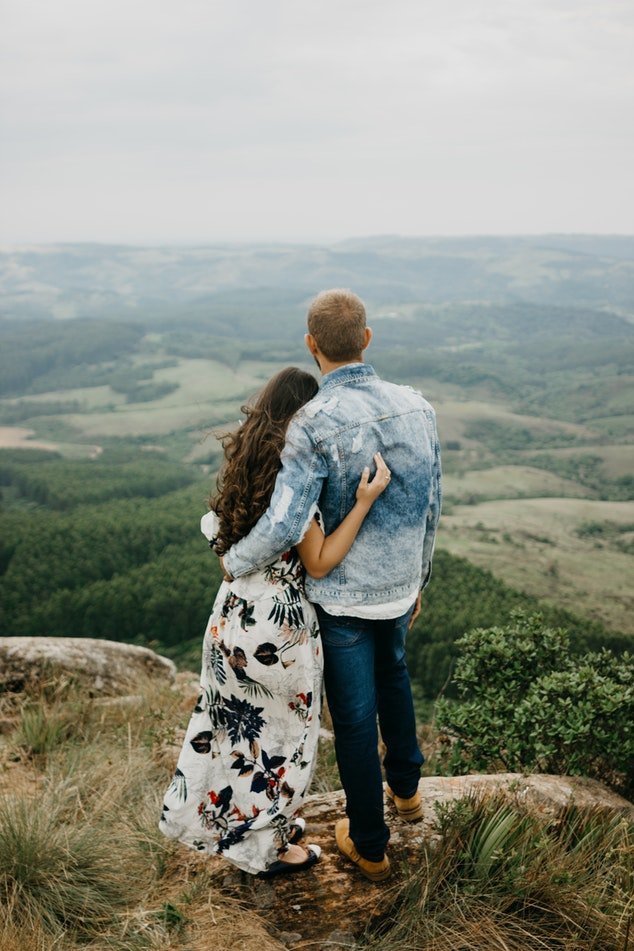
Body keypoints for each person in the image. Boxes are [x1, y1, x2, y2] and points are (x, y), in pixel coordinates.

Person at [221, 289, 442, 882]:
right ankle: (409, 794)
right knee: (396, 677)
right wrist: (420, 575)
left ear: (311, 345)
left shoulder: (312, 423)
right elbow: (431, 506)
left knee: (353, 715)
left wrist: (234, 558)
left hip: (342, 598)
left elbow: (287, 523)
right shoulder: (418, 409)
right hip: (399, 586)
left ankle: (370, 844)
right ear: (367, 338)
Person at [158, 366, 391, 877]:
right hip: (278, 633)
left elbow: (220, 541)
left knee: (234, 732)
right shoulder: (293, 486)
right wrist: (363, 503)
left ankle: (247, 826)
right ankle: (270, 849)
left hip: (230, 617)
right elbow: (320, 561)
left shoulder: (245, 469)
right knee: (283, 741)